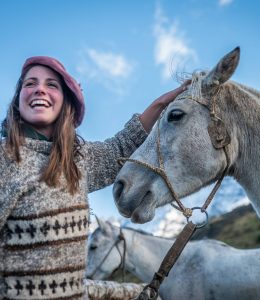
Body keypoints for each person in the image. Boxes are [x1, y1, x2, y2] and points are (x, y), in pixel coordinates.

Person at [0, 56, 188, 299]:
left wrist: (162, 103)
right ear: (17, 101)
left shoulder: (76, 160)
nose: (40, 89)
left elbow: (121, 147)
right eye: (30, 83)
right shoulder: (5, 161)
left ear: (65, 103)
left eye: (52, 85)